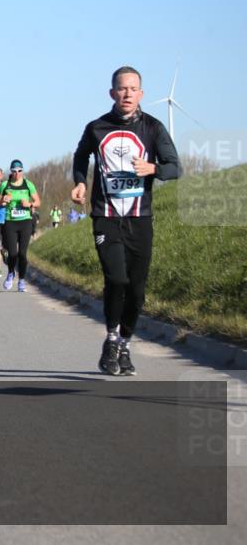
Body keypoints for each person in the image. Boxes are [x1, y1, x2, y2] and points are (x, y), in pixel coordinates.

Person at [71, 65, 181, 377]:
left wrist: (154, 170)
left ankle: (125, 344)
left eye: (133, 89)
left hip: (140, 217)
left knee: (137, 290)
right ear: (112, 93)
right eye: (122, 88)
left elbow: (175, 167)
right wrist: (80, 182)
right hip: (105, 216)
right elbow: (80, 158)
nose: (127, 94)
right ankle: (110, 339)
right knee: (116, 279)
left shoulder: (153, 128)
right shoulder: (96, 127)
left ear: (141, 94)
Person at [0, 159, 41, 292]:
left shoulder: (28, 184)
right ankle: (10, 273)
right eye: (14, 171)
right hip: (10, 222)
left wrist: (29, 204)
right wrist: (2, 199)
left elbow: (38, 201)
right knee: (13, 253)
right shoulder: (5, 185)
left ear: (22, 171)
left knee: (22, 254)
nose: (17, 173)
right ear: (11, 172)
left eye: (19, 171)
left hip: (25, 221)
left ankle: (21, 280)